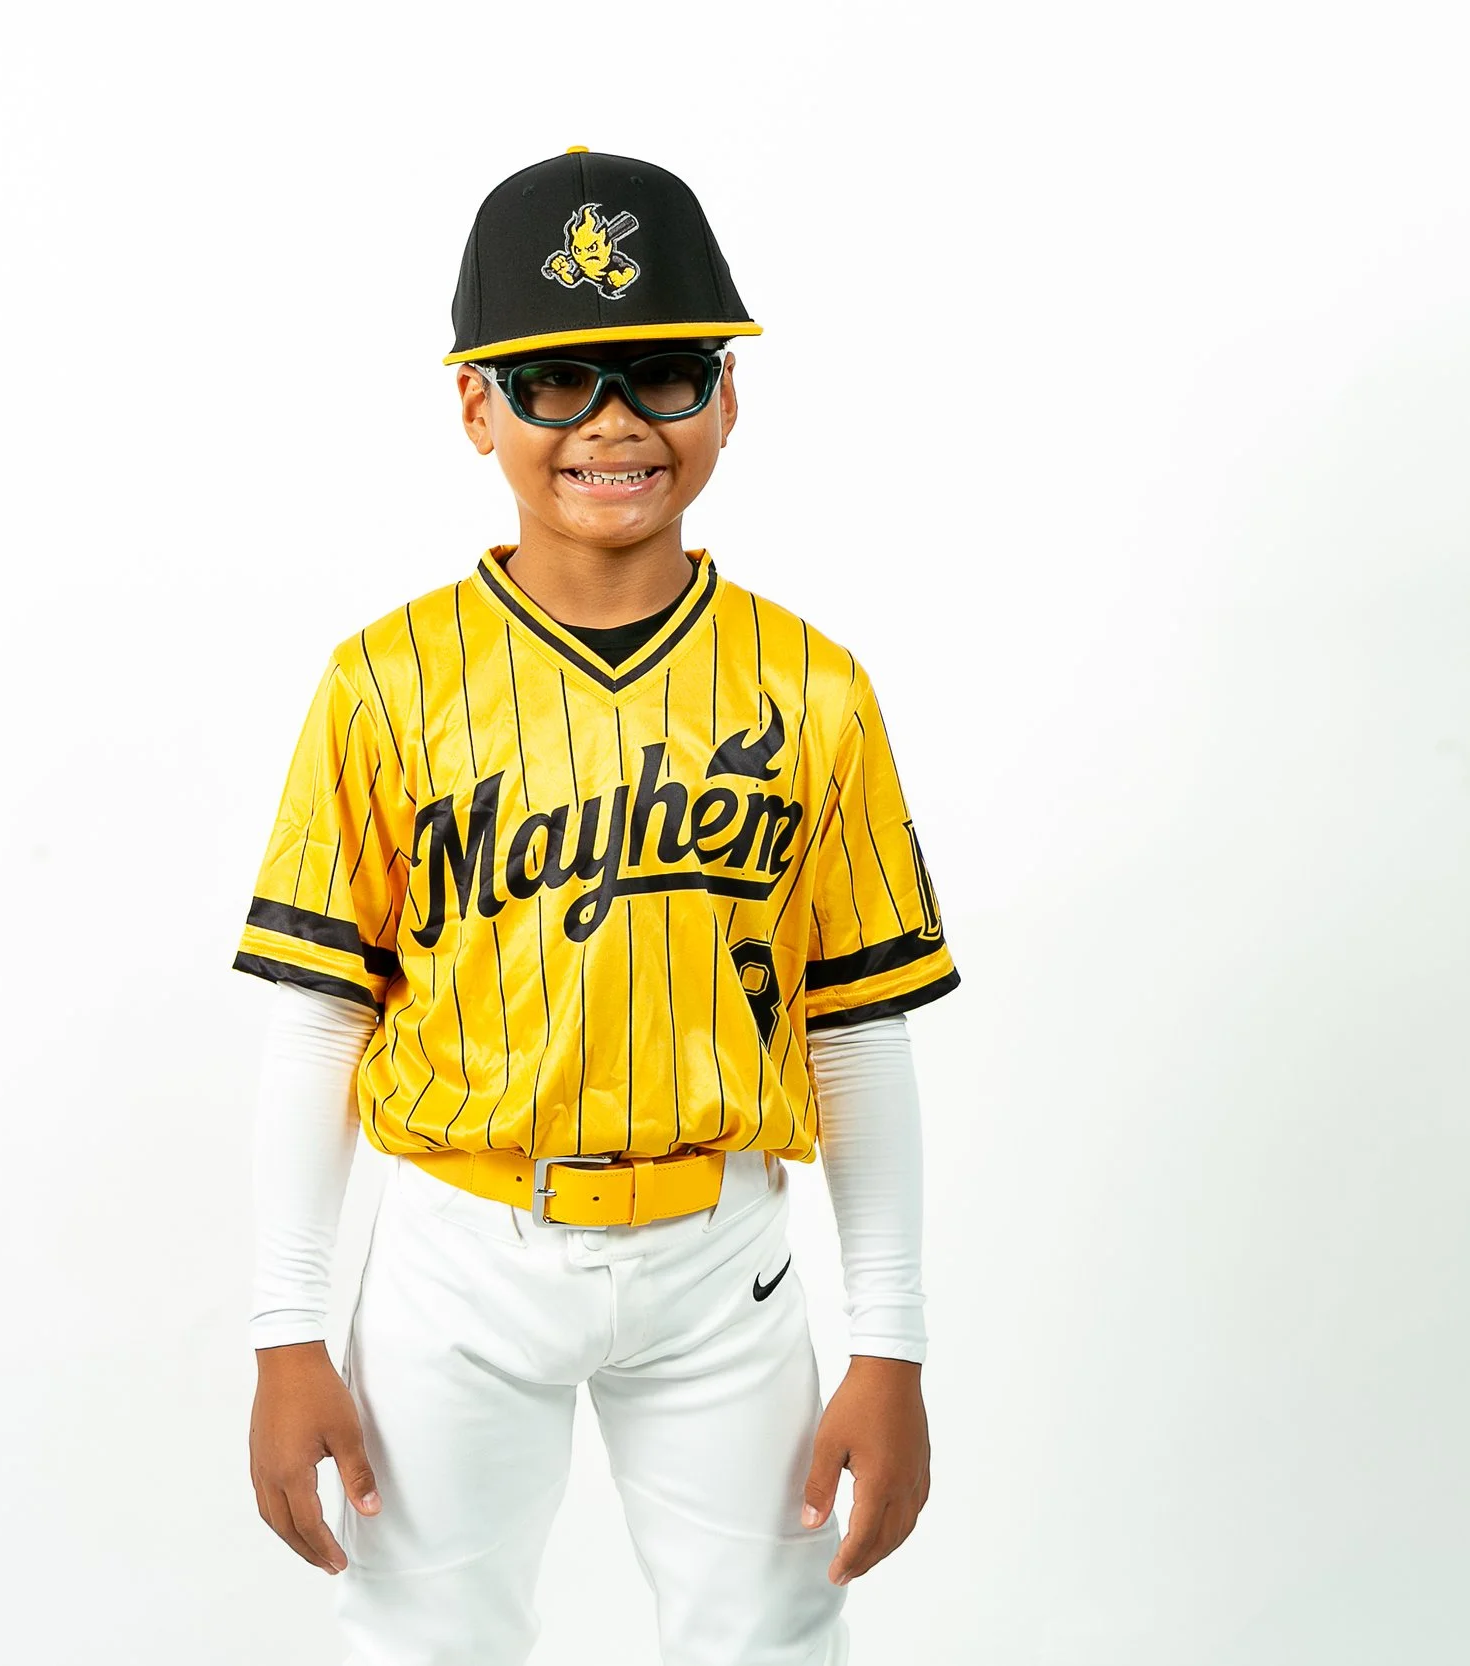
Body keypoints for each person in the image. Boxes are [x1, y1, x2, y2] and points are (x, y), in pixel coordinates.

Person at [233, 146, 961, 1666]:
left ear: (728, 397)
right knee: (422, 1639)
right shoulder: (385, 680)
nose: (615, 420)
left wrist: (888, 1342)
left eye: (664, 371)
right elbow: (319, 1023)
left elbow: (859, 1036)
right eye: (556, 378)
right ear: (475, 405)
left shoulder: (814, 690)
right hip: (456, 1247)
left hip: (723, 1253)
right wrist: (284, 1323)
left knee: (770, 1635)